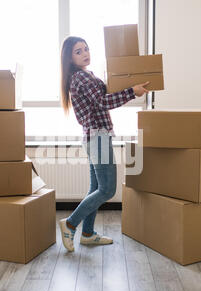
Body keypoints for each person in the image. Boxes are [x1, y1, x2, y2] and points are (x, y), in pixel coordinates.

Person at [59, 36, 149, 252]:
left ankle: (88, 234)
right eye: (78, 51)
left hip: (96, 137)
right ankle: (71, 223)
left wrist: (126, 82)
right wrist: (131, 92)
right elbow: (104, 101)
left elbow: (104, 95)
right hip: (98, 138)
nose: (85, 53)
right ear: (69, 58)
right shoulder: (81, 78)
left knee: (96, 188)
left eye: (86, 49)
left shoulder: (87, 75)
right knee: (107, 190)